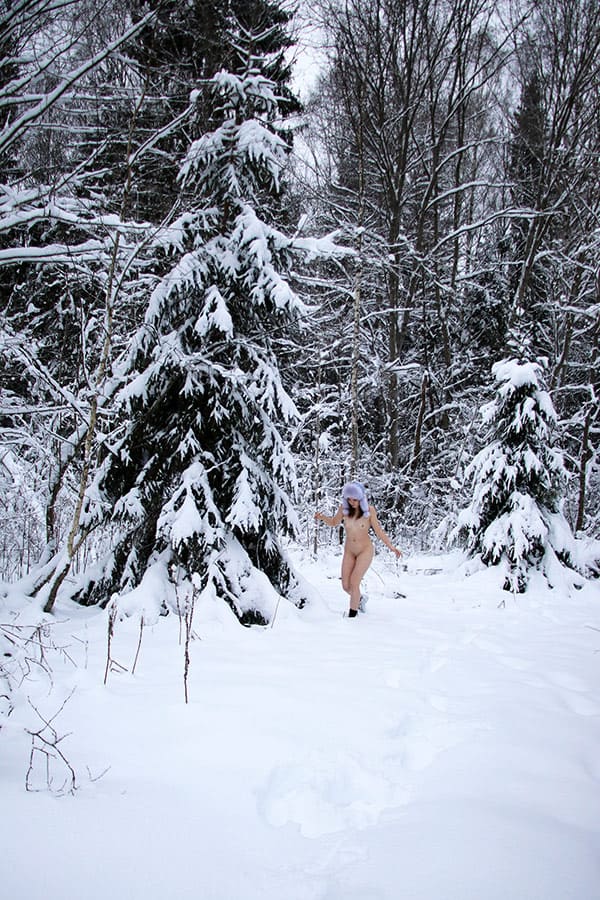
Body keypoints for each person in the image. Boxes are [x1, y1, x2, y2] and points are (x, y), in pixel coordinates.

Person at [314, 481, 402, 617]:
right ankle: (359, 599)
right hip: (349, 551)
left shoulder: (369, 511)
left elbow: (379, 531)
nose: (351, 502)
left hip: (364, 551)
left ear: (361, 498)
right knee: (346, 586)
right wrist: (322, 517)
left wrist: (391, 547)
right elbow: (333, 522)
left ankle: (352, 616)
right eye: (349, 499)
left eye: (354, 499)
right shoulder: (343, 509)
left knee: (354, 583)